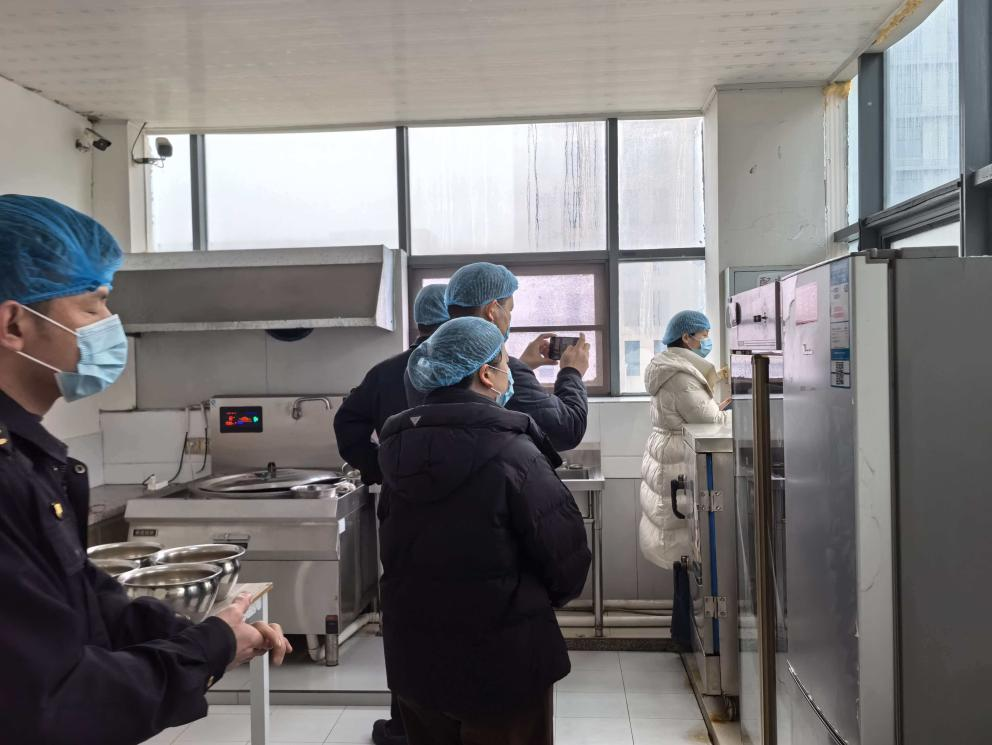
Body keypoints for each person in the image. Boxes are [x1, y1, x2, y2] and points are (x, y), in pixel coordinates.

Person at [0, 194, 292, 745]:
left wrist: (206, 636)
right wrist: (204, 650)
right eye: (92, 307)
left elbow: (82, 598)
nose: (111, 326)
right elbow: (51, 704)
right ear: (15, 323)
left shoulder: (26, 456)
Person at [378, 317, 591, 745]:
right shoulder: (514, 452)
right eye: (506, 364)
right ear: (486, 375)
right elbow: (566, 562)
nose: (510, 373)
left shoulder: (397, 449)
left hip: (415, 657)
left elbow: (395, 548)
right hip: (502, 660)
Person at [427, 262, 590, 452]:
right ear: (492, 311)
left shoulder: (430, 364)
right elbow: (569, 430)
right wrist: (571, 373)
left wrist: (519, 365)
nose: (509, 318)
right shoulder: (496, 376)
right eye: (509, 310)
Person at [639, 310, 728, 647]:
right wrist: (725, 410)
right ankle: (687, 636)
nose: (707, 341)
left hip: (669, 456)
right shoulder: (681, 376)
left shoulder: (669, 367)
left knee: (683, 558)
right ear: (687, 337)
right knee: (687, 555)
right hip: (679, 462)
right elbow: (708, 419)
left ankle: (684, 633)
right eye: (704, 335)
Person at [334, 283, 448, 486]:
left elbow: (347, 423)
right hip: (461, 491)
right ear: (456, 319)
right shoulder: (467, 370)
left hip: (400, 492)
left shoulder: (383, 373)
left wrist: (378, 467)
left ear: (419, 321)